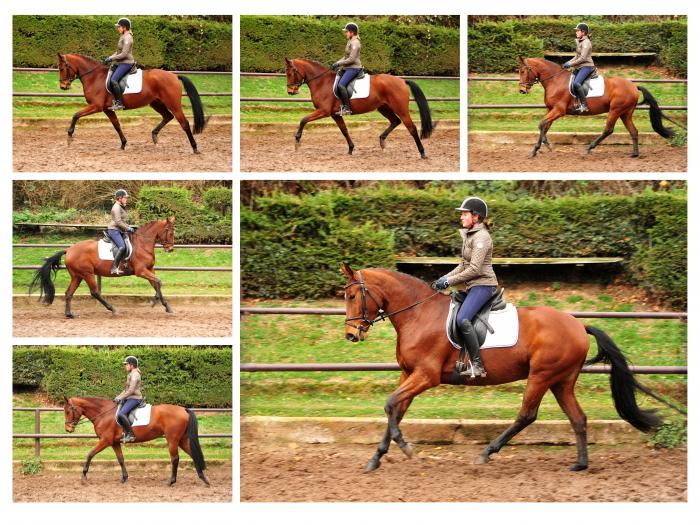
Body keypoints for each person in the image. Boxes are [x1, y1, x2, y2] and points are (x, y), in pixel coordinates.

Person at [433, 197, 498, 377]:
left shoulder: (482, 238)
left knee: (462, 319)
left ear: (475, 217)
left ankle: (477, 365)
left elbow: (475, 269)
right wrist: (445, 278)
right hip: (473, 286)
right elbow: (463, 265)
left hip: (484, 285)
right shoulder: (470, 235)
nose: (461, 217)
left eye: (464, 213)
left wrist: (448, 282)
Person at [330, 22, 362, 116]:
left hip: (354, 68)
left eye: (347, 32)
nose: (345, 33)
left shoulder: (356, 43)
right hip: (347, 68)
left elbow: (351, 59)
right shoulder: (350, 41)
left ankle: (347, 108)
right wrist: (336, 63)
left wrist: (339, 63)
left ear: (352, 32)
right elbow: (345, 57)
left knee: (341, 85)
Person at [103, 18, 135, 111]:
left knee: (113, 80)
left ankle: (119, 103)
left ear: (124, 27)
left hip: (126, 63)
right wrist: (109, 58)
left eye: (119, 27)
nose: (118, 28)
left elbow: (124, 54)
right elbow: (118, 52)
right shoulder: (123, 36)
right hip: (120, 62)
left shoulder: (127, 37)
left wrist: (111, 58)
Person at [562, 22, 595, 113]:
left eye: (578, 31)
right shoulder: (580, 41)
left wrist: (571, 64)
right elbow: (577, 56)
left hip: (587, 66)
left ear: (583, 32)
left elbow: (583, 58)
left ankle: (584, 105)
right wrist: (568, 62)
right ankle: (575, 102)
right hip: (580, 66)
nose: (576, 32)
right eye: (576, 31)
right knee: (570, 80)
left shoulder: (586, 43)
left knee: (576, 83)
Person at [113, 356, 143, 443]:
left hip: (135, 398)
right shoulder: (131, 374)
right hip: (130, 397)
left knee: (121, 414)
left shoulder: (135, 374)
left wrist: (121, 397)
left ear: (132, 365)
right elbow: (126, 390)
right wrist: (118, 396)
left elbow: (131, 390)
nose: (125, 366)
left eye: (126, 364)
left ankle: (130, 435)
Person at [107, 189, 135, 275]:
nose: (126, 199)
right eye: (125, 198)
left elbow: (122, 221)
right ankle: (114, 268)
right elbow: (118, 222)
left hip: (119, 229)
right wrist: (128, 229)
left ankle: (125, 263)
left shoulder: (120, 206)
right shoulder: (116, 207)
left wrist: (128, 227)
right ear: (120, 198)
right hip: (114, 230)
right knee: (122, 247)